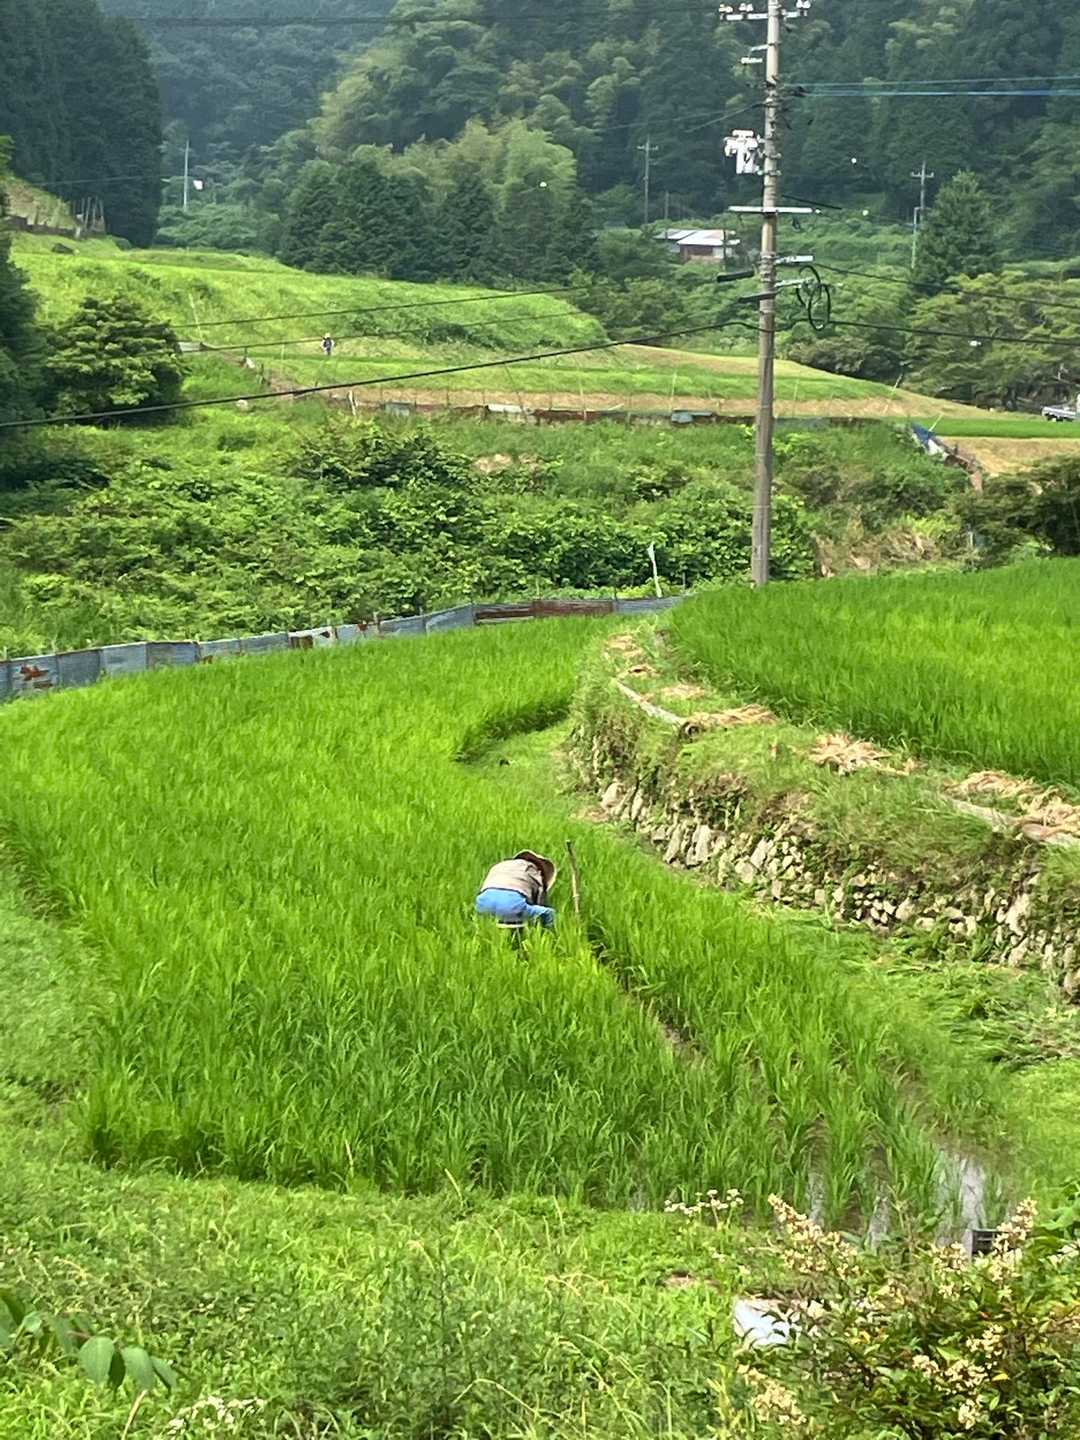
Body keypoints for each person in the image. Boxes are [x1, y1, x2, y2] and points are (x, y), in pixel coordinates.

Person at [476, 850, 557, 929]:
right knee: (548, 913)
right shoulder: (534, 870)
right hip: (511, 906)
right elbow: (540, 901)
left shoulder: (502, 865)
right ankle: (552, 936)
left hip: (482, 904)